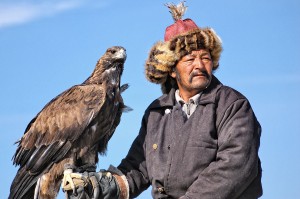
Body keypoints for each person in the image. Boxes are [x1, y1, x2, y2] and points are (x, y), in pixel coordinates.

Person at [62, 2, 262, 199]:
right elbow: (139, 169)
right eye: (190, 59)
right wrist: (103, 186)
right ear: (172, 70)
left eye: (206, 58)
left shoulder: (232, 105)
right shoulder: (156, 113)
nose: (199, 65)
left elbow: (236, 164)